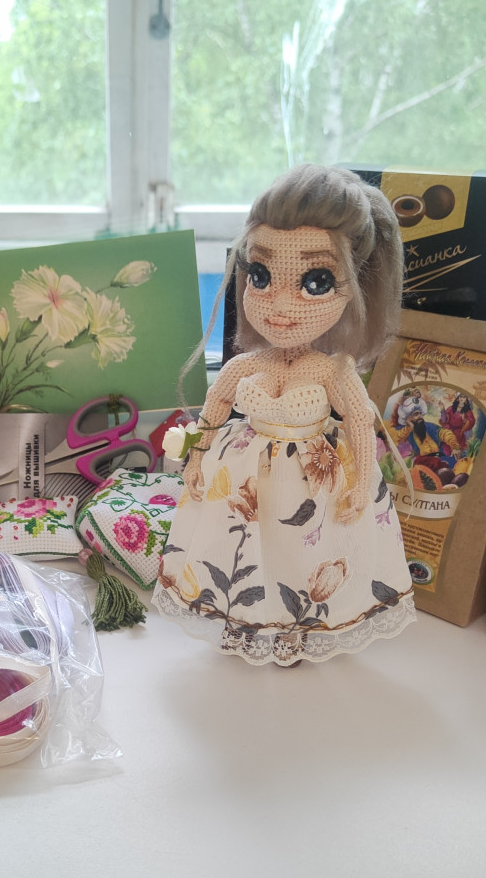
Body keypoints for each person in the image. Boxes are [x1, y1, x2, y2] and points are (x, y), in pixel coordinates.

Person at [152, 164, 414, 666]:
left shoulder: (332, 371)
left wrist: (362, 485)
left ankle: (296, 628)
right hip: (243, 479)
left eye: (315, 281)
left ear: (353, 287)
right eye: (261, 276)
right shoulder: (245, 365)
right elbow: (216, 405)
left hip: (313, 483)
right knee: (246, 548)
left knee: (301, 553)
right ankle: (244, 617)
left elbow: (359, 423)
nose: (278, 305)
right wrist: (196, 454)